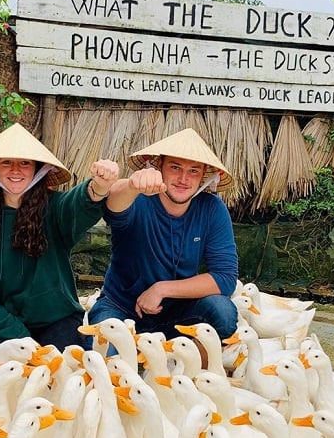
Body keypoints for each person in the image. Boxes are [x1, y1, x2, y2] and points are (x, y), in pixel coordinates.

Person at [0, 122, 119, 373]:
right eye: (6, 163)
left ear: (38, 169)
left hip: (54, 320)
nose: (16, 170)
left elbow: (79, 203)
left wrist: (99, 186)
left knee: (66, 357)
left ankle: (17, 372)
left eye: (24, 163)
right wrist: (18, 337)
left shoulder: (55, 209)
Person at [87, 127, 238, 342]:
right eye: (175, 167)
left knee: (223, 312)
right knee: (101, 351)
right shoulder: (138, 198)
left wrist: (161, 289)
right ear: (159, 166)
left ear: (204, 176)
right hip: (121, 307)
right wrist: (132, 185)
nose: (184, 179)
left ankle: (194, 367)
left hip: (179, 313)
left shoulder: (212, 208)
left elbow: (225, 278)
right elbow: (113, 204)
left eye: (194, 171)